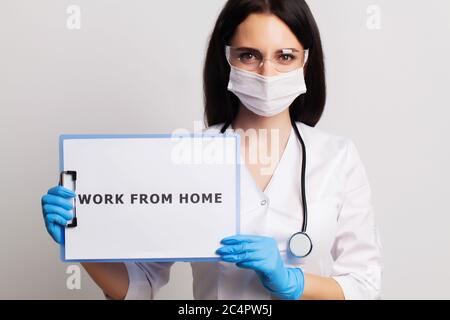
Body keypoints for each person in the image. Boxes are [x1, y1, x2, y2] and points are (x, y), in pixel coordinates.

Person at [41, 0, 382, 300]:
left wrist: (293, 282)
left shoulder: (338, 157)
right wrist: (80, 241)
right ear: (226, 60)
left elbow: (364, 286)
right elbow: (141, 286)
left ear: (306, 62)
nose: (267, 72)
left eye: (285, 56)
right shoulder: (186, 157)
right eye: (248, 56)